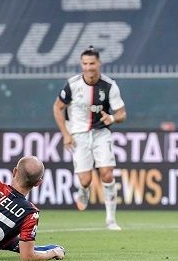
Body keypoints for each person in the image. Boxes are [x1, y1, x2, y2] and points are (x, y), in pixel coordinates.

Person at [53, 46, 127, 230]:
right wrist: (65, 134)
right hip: (79, 135)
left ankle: (111, 219)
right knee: (85, 180)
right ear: (81, 64)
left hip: (101, 133)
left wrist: (112, 118)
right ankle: (83, 189)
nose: (88, 68)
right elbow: (57, 108)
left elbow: (122, 114)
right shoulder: (72, 85)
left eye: (92, 63)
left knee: (107, 174)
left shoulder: (109, 85)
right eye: (85, 64)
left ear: (99, 63)